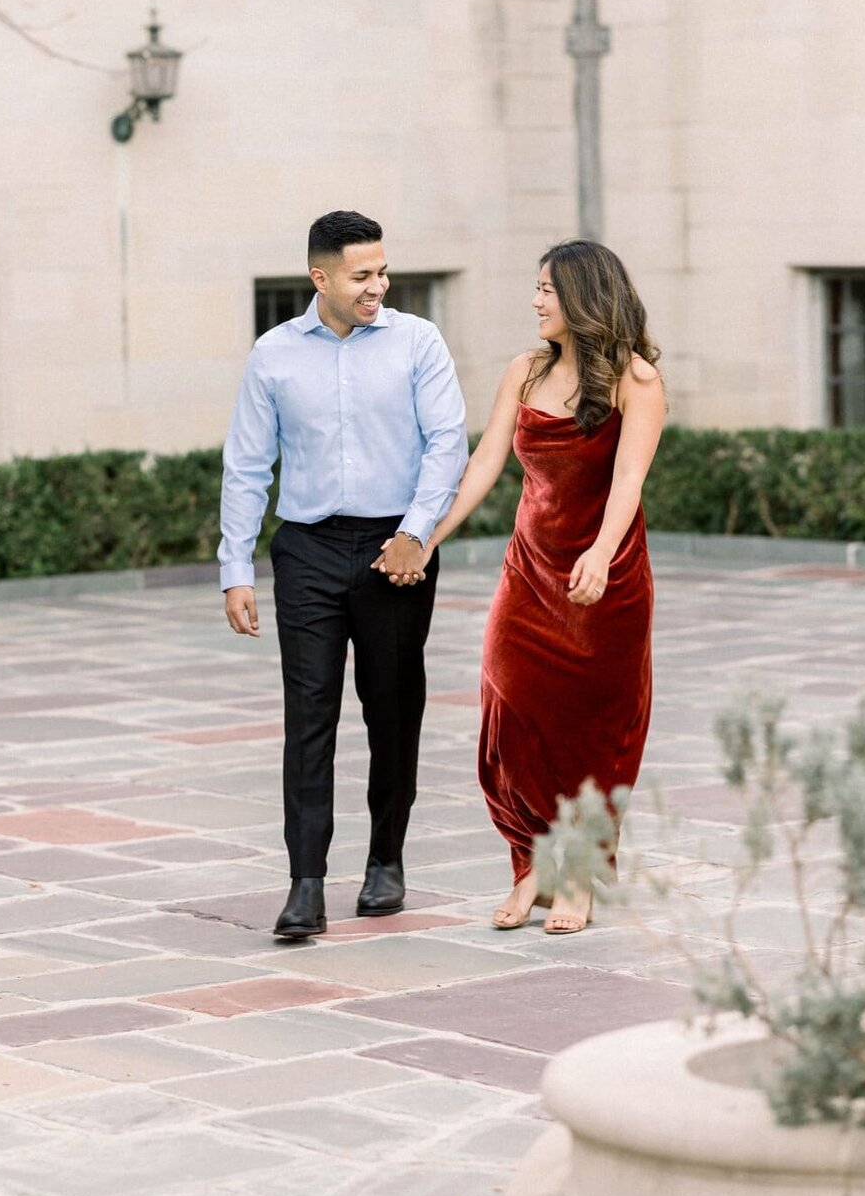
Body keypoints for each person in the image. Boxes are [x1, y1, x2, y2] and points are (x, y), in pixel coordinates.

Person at [377, 239, 663, 934]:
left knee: (591, 731)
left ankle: (579, 873)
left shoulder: (637, 381)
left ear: (584, 297)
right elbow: (484, 463)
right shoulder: (525, 370)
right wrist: (427, 536)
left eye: (546, 290)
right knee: (512, 717)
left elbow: (628, 479)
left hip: (606, 579)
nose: (535, 301)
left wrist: (600, 552)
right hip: (529, 573)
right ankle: (530, 861)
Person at [219, 211, 468, 941]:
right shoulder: (273, 355)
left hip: (397, 553)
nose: (378, 286)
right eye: (362, 275)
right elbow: (246, 464)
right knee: (309, 716)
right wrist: (236, 565)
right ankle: (305, 885)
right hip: (308, 551)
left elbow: (446, 443)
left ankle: (385, 858)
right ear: (320, 277)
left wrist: (414, 535)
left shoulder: (418, 342)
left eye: (382, 272)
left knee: (392, 709)